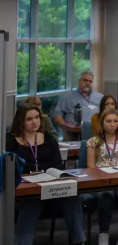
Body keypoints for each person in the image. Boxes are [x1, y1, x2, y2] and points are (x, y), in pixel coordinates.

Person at [7, 104, 86, 245]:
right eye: (29, 119)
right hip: (27, 189)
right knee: (31, 201)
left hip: (50, 186)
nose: (35, 122)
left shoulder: (48, 139)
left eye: (37, 117)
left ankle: (79, 240)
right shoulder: (11, 141)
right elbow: (10, 169)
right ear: (21, 121)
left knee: (72, 194)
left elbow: (57, 166)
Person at [87, 108, 118, 245]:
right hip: (102, 180)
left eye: (115, 121)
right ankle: (103, 234)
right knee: (106, 196)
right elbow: (90, 167)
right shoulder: (93, 141)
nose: (112, 124)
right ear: (102, 123)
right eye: (108, 121)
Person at [53, 70, 103, 140]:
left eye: (90, 81)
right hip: (74, 134)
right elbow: (57, 115)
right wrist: (67, 127)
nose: (87, 83)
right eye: (85, 80)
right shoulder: (67, 97)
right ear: (79, 81)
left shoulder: (100, 97)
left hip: (96, 134)